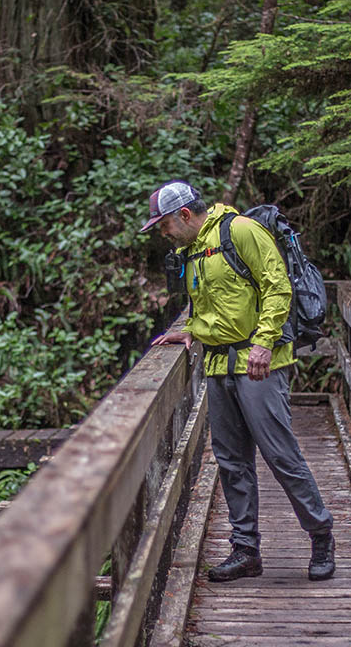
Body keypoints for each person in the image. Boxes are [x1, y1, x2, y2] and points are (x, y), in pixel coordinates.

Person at [140, 180, 335, 582]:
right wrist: (191, 329)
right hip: (217, 365)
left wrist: (264, 343)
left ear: (185, 215)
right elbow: (210, 299)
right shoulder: (191, 250)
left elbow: (277, 286)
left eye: (164, 224)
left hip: (257, 363)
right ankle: (246, 550)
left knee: (280, 455)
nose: (162, 233)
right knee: (231, 462)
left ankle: (321, 535)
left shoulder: (241, 231)